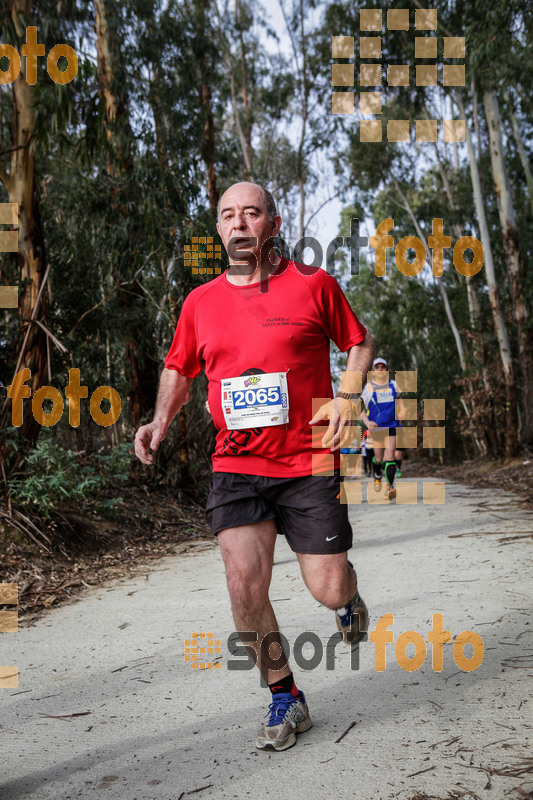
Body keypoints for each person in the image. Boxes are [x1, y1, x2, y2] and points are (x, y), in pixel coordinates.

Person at [134, 182, 374, 752]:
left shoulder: (314, 286)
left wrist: (348, 395)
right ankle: (285, 694)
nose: (239, 223)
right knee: (244, 583)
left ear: (273, 222)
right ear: (219, 229)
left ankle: (347, 600)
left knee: (327, 584)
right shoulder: (200, 302)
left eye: (251, 213)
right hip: (237, 465)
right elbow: (178, 368)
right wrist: (160, 421)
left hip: (308, 461)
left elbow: (359, 345)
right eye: (227, 215)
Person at [361, 357, 406, 500]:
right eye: (377, 367)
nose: (380, 370)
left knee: (390, 455)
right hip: (377, 428)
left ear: (386, 370)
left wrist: (403, 410)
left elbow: (399, 400)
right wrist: (367, 422)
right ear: (373, 371)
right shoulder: (368, 388)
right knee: (378, 458)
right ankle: (377, 475)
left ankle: (390, 487)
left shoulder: (393, 384)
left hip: (392, 424)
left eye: (383, 367)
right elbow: (360, 407)